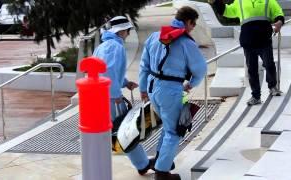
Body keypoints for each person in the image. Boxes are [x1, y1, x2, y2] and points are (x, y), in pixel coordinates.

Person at [139, 6, 207, 180]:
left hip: (152, 87)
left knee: (167, 127)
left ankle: (162, 160)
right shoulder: (186, 42)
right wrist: (191, 84)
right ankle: (162, 172)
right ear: (188, 22)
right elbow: (200, 69)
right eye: (193, 24)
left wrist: (142, 88)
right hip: (170, 90)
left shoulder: (155, 36)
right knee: (174, 131)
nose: (193, 27)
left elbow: (144, 65)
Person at [92, 16, 154, 176]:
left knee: (115, 131)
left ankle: (141, 163)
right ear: (122, 31)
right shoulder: (116, 47)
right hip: (110, 98)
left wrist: (125, 83)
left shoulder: (103, 46)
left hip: (99, 95)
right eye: (127, 30)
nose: (128, 34)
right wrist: (115, 94)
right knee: (125, 131)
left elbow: (103, 70)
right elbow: (110, 72)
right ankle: (142, 163)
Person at [208, 0, 285, 106]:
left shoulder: (268, 1)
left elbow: (278, 13)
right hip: (248, 41)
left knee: (269, 64)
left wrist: (279, 22)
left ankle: (272, 87)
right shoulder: (240, 2)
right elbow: (226, 11)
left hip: (264, 40)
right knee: (252, 70)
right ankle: (256, 96)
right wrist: (216, 2)